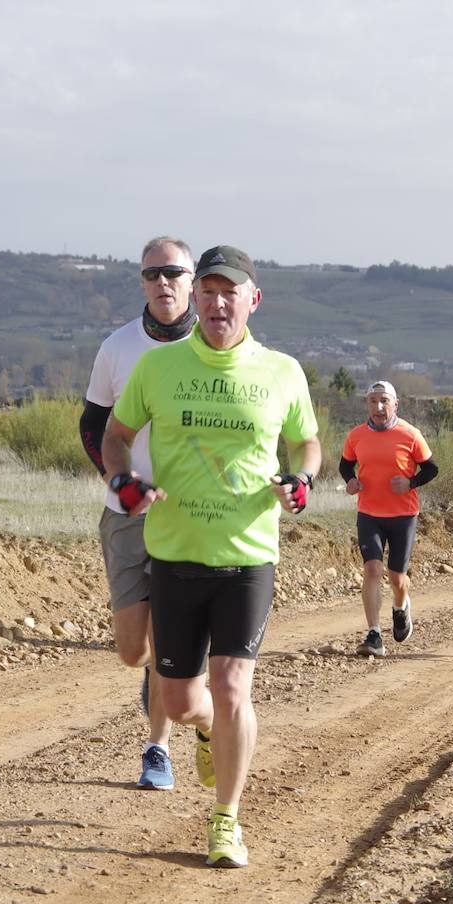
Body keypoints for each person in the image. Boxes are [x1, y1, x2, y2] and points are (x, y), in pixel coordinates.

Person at [101, 245, 321, 868]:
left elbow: (307, 442)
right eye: (210, 291)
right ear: (195, 297)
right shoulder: (160, 368)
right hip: (173, 555)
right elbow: (115, 437)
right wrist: (122, 483)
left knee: (230, 686)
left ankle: (225, 818)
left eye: (233, 292)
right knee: (177, 701)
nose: (219, 302)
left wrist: (301, 481)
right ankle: (202, 731)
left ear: (253, 300)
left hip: (249, 556)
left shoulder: (282, 371)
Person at [80, 237, 197, 790]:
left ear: (192, 278)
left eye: (173, 272)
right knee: (134, 650)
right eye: (152, 275)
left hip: (191, 515)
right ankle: (162, 684)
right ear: (142, 281)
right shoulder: (118, 347)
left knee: (170, 636)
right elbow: (92, 427)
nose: (163, 283)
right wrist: (118, 482)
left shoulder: (214, 344)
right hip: (124, 512)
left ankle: (158, 747)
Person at [340, 381, 438, 657]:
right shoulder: (356, 435)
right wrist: (350, 481)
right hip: (369, 513)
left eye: (384, 401)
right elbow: (345, 463)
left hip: (403, 515)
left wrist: (411, 482)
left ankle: (401, 605)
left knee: (397, 577)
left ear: (396, 404)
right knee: (372, 569)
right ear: (367, 404)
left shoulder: (410, 434)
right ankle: (373, 634)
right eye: (373, 401)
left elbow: (432, 468)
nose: (379, 407)